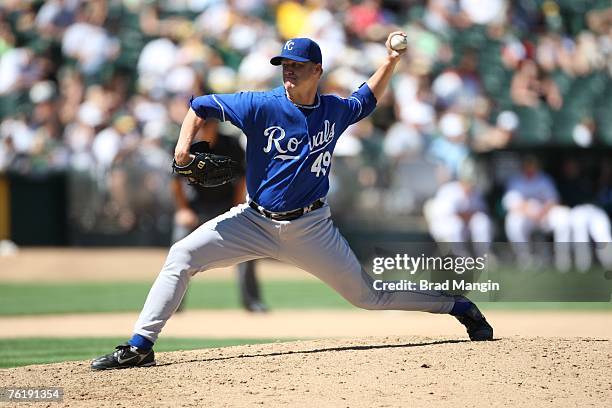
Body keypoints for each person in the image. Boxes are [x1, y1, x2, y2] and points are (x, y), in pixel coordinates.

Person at [91, 33, 493, 370]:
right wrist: (182, 153)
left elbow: (366, 98)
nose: (288, 68)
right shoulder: (261, 104)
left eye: (297, 64)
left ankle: (457, 306)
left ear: (316, 71)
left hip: (311, 227)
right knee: (181, 255)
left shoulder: (334, 110)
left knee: (368, 297)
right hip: (253, 220)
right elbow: (199, 106)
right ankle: (140, 346)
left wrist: (390, 60)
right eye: (284, 63)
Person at [172, 120, 268, 312]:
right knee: (179, 247)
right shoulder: (185, 146)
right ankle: (174, 304)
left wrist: (236, 207)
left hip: (226, 207)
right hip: (196, 209)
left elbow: (242, 179)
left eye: (206, 125)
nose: (202, 130)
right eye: (198, 127)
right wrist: (183, 209)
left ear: (215, 125)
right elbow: (175, 182)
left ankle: (252, 301)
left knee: (248, 245)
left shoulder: (230, 145)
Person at [502, 156, 571, 271]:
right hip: (526, 216)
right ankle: (524, 258)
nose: (530, 167)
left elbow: (553, 200)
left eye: (532, 164)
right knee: (513, 221)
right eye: (527, 164)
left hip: (544, 215)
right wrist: (530, 213)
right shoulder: (515, 180)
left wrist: (542, 212)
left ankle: (562, 258)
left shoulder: (544, 179)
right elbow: (511, 204)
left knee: (563, 216)